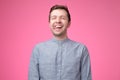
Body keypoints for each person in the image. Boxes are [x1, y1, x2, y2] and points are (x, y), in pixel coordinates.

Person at [28, 4, 92, 80]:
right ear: (49, 23)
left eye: (63, 18)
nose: (58, 21)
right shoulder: (38, 49)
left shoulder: (81, 50)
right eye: (54, 18)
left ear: (69, 23)